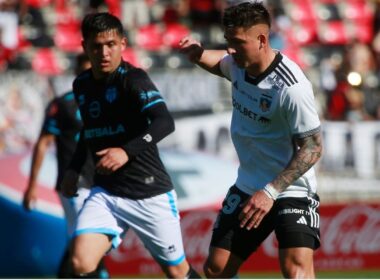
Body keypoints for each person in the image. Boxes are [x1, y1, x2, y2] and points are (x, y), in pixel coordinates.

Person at [179, 2, 323, 278]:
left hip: (290, 190)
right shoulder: (237, 64)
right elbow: (219, 63)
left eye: (237, 43)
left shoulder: (291, 88)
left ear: (261, 39)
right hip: (248, 186)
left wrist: (270, 192)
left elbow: (314, 147)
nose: (230, 50)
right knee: (216, 269)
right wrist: (197, 55)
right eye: (228, 41)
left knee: (296, 270)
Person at [60, 12, 200, 279]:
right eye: (96, 46)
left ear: (122, 44)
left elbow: (164, 122)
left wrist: (126, 151)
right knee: (80, 261)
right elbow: (89, 132)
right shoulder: (82, 85)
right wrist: (74, 168)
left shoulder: (133, 79)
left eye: (110, 44)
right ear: (84, 47)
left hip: (148, 192)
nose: (104, 52)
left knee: (177, 271)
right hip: (107, 193)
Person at [22, 53, 109, 278]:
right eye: (84, 70)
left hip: (100, 183)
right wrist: (31, 185)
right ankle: (99, 274)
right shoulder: (63, 104)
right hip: (73, 183)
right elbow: (43, 143)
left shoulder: (107, 103)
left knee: (81, 241)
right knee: (86, 239)